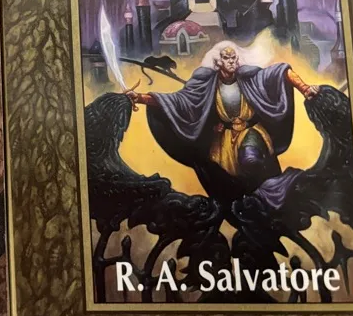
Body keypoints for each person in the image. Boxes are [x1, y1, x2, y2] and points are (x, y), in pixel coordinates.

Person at [127, 42, 318, 199]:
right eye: (227, 58)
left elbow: (281, 71)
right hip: (224, 142)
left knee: (250, 159)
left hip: (251, 132)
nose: (232, 61)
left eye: (234, 57)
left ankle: (265, 195)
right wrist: (141, 98)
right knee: (222, 179)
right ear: (219, 62)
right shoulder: (206, 85)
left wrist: (305, 88)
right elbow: (176, 101)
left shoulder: (250, 77)